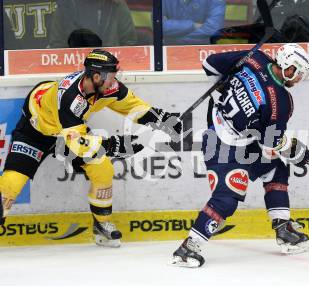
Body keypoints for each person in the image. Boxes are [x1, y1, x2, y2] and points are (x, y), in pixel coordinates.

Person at [0, 49, 182, 247]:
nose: (115, 82)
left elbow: (133, 106)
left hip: (69, 131)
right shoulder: (70, 98)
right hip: (35, 131)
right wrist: (113, 145)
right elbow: (76, 144)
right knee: (11, 184)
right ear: (96, 76)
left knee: (102, 167)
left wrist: (162, 118)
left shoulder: (106, 87)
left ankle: (102, 226)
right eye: (112, 77)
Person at [171, 43, 309, 268]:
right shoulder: (282, 102)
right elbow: (271, 141)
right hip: (222, 144)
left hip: (239, 138)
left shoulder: (254, 58)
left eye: (301, 75)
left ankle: (283, 229)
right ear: (286, 65)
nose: (297, 79)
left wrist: (225, 78)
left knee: (276, 168)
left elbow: (210, 65)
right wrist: (295, 150)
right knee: (226, 200)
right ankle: (188, 248)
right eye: (296, 72)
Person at [49, 0, 137, 48]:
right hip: (75, 71)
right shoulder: (65, 6)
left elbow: (129, 45)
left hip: (109, 71)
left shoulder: (117, 5)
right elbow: (57, 47)